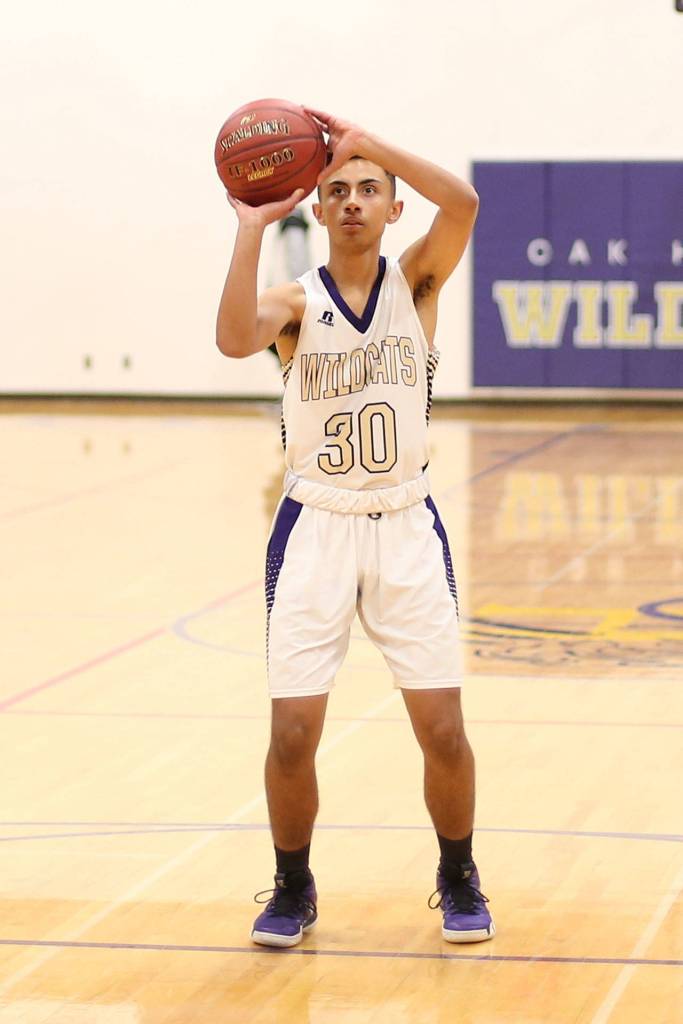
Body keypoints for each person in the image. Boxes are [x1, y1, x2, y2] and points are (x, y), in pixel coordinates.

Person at [216, 107, 495, 948]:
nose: (351, 201)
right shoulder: (293, 304)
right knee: (292, 733)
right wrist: (249, 226)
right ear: (315, 208)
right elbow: (232, 341)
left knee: (441, 728)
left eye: (368, 190)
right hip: (317, 527)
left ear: (391, 209)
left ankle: (456, 874)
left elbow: (467, 203)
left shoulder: (417, 283)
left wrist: (369, 141)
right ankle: (292, 888)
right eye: (335, 190)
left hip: (406, 521)